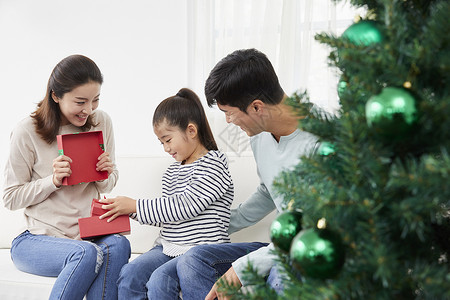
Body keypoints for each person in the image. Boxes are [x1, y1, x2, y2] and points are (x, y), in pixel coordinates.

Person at [172, 48, 319, 300]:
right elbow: (268, 192)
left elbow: (312, 228)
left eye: (229, 112)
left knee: (282, 274)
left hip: (310, 246)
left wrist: (243, 268)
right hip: (279, 247)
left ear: (256, 107)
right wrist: (215, 222)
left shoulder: (321, 139)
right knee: (193, 261)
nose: (229, 121)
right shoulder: (260, 135)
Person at [3, 54, 131, 300]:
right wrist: (52, 181)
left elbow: (110, 180)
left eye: (95, 100)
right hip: (37, 239)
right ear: (55, 95)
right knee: (86, 253)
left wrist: (104, 173)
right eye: (80, 101)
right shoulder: (26, 131)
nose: (88, 109)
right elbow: (10, 198)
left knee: (119, 245)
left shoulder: (101, 121)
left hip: (87, 232)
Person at [98, 88, 235, 300]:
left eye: (168, 140)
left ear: (191, 131)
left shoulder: (214, 163)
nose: (165, 148)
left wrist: (134, 206)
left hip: (199, 252)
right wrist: (124, 210)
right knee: (129, 274)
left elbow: (185, 205)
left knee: (160, 281)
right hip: (168, 247)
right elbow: (167, 215)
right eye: (161, 142)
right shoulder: (172, 171)